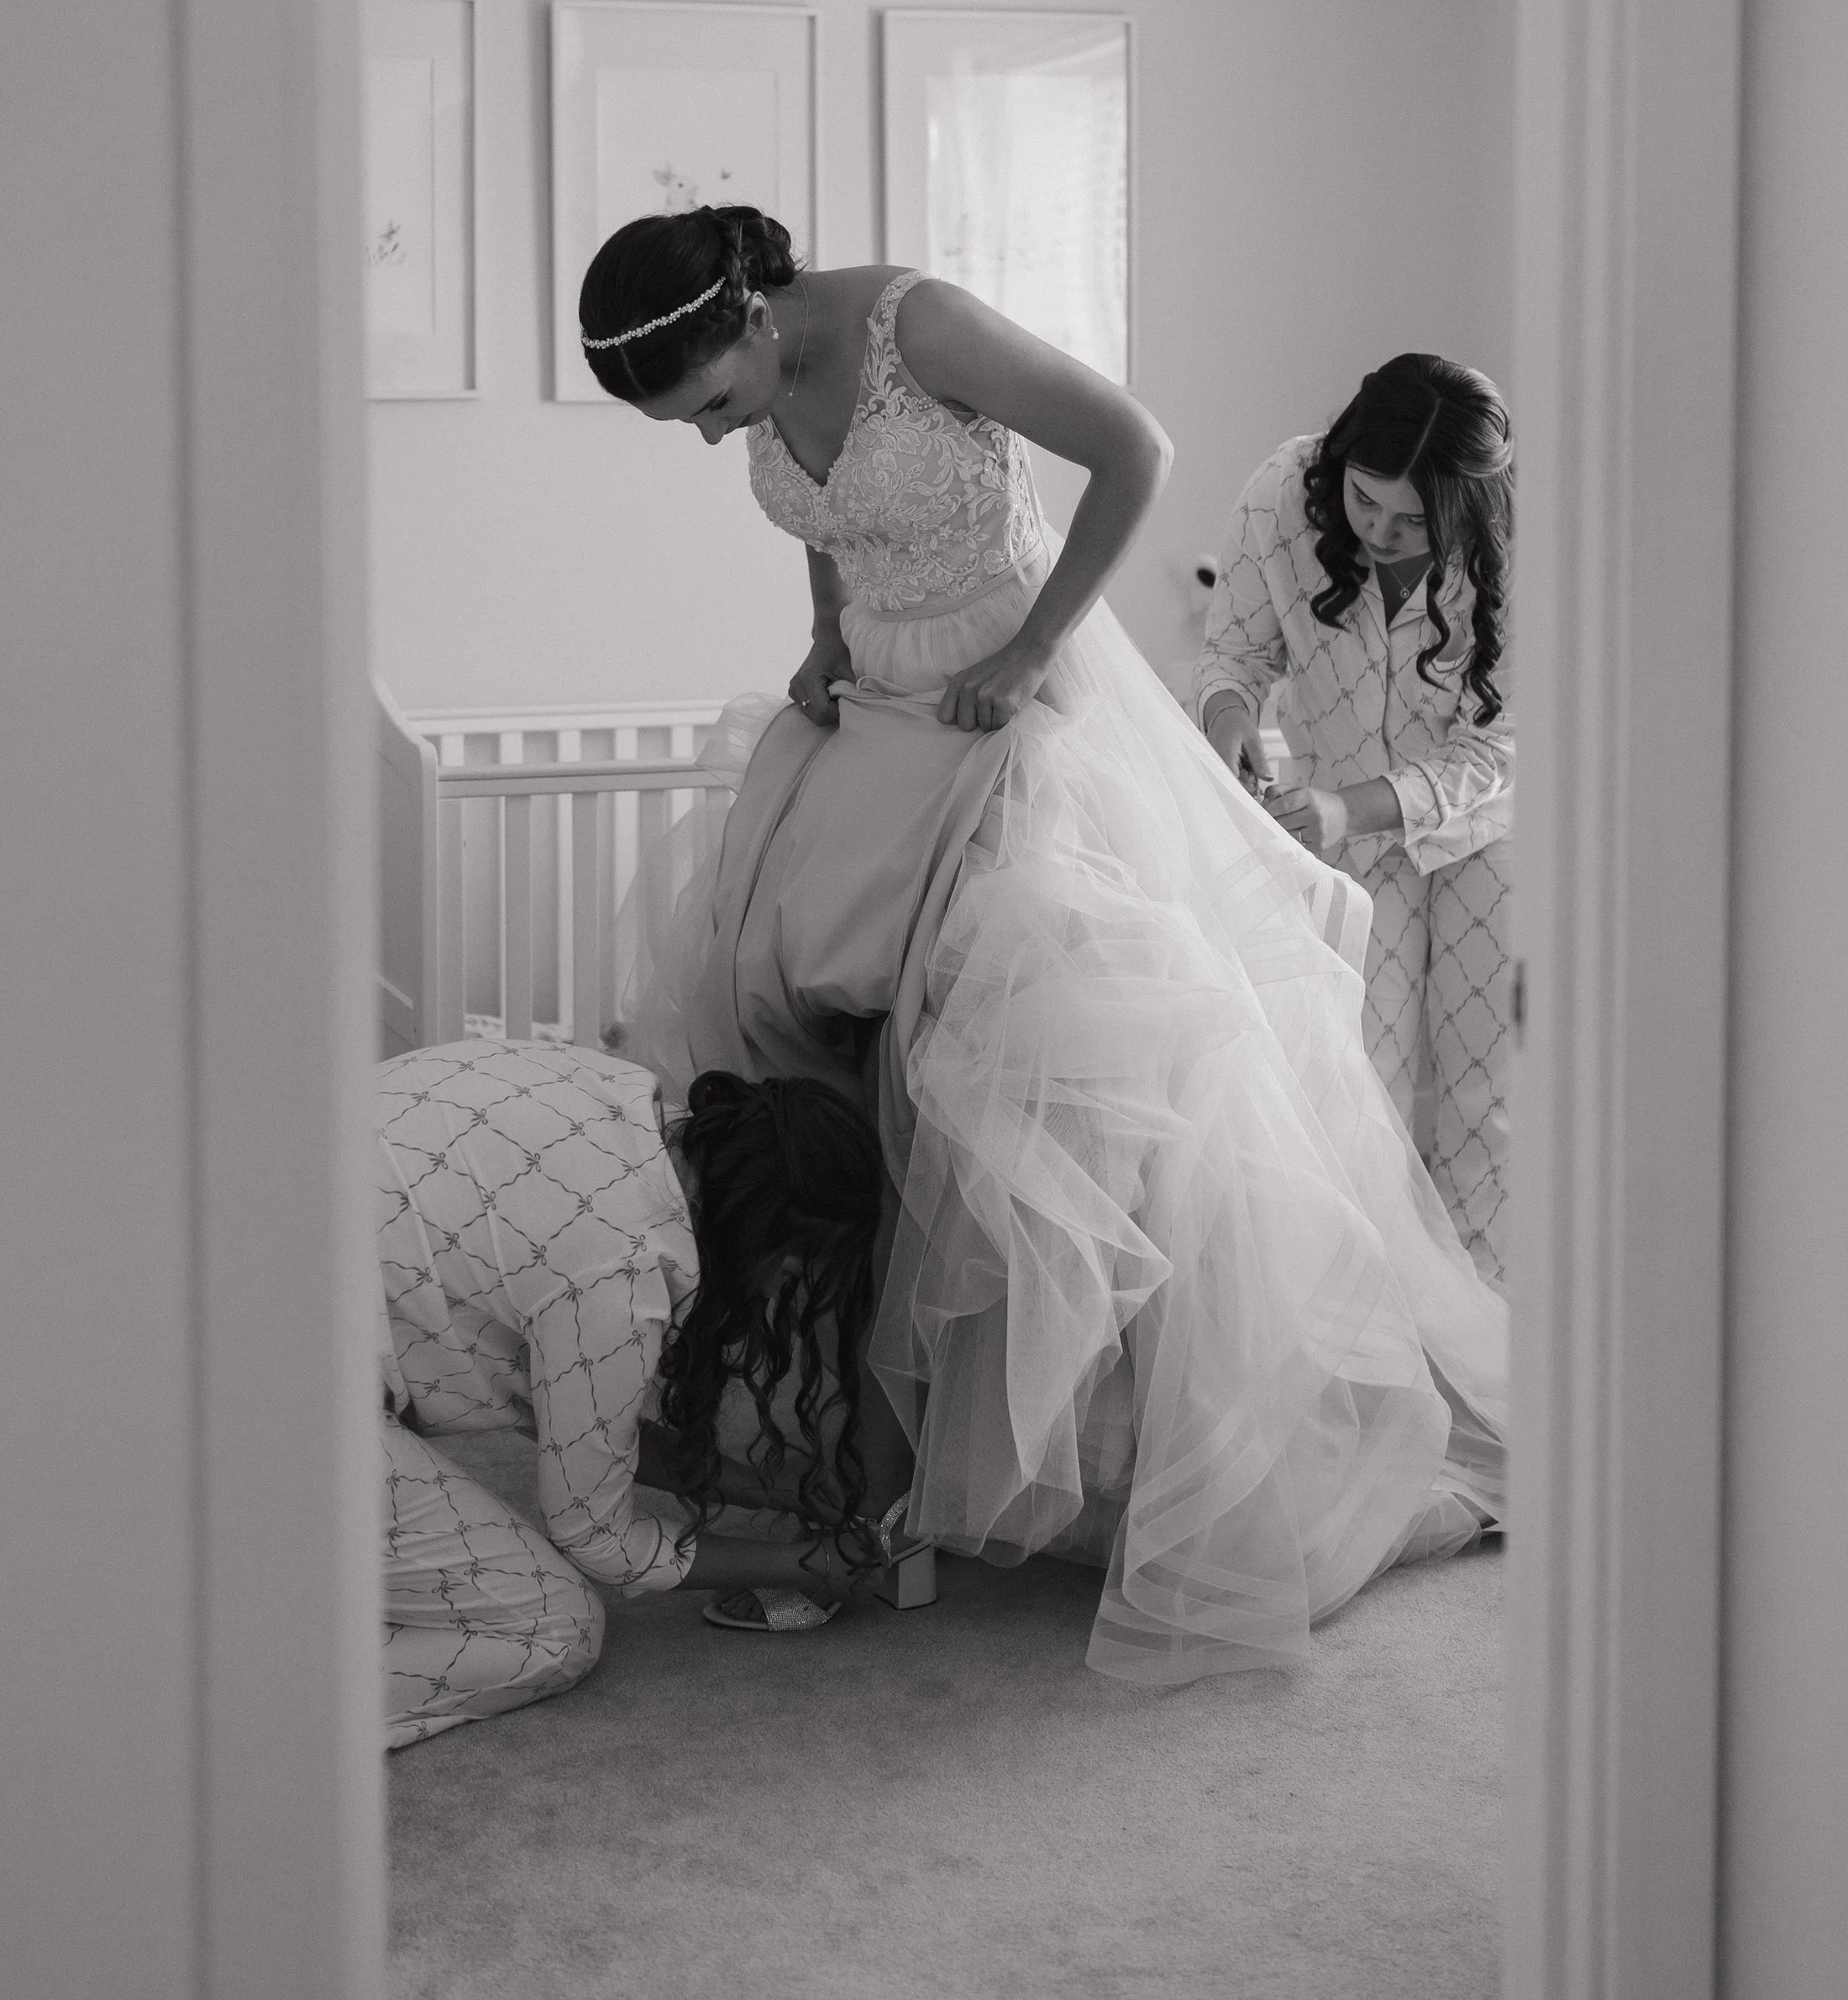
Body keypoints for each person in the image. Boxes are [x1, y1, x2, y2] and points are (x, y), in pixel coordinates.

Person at [582, 203, 1509, 1689]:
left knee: (1011, 1089)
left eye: (712, 410)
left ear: (754, 318)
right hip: (875, 722)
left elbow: (1132, 448)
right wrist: (827, 628)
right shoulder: (761, 386)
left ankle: (1012, 1480)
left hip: (1011, 717)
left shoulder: (916, 325)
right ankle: (853, 1475)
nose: (711, 440)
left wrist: (1027, 647)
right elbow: (831, 520)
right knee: (807, 1067)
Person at [376, 1037, 896, 1746]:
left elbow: (566, 1416)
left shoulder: (616, 1092)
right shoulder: (619, 1278)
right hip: (264, 1398)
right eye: (793, 1273)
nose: (780, 1294)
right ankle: (229, 1711)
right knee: (552, 1626)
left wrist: (772, 1486)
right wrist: (807, 1565)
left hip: (211, 1268)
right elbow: (596, 1535)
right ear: (764, 1234)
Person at [1192, 358, 1514, 1286]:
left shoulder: (1519, 536)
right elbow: (1232, 653)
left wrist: (1351, 809)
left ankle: (1481, 1335)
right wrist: (1230, 726)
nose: (1377, 530)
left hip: (1487, 834)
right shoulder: (1282, 495)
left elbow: (1498, 751)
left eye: (1410, 520)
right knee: (1348, 1081)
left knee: (1482, 1098)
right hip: (1330, 835)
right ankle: (1370, 1339)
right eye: (1365, 500)